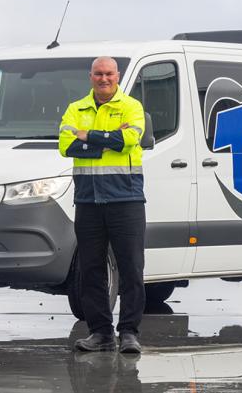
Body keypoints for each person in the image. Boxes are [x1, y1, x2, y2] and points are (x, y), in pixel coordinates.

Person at [59, 56, 146, 354]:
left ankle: (130, 333)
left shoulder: (131, 107)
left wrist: (89, 137)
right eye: (98, 74)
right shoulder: (75, 108)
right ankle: (100, 334)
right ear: (90, 76)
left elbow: (130, 139)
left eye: (109, 73)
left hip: (126, 199)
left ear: (117, 76)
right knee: (91, 269)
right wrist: (108, 139)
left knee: (131, 268)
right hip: (87, 201)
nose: (104, 78)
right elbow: (65, 145)